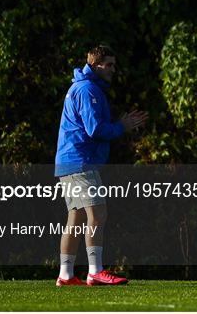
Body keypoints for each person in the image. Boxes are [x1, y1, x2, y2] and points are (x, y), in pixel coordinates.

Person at [54, 45, 148, 286]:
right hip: (80, 162)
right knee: (98, 213)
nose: (113, 70)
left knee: (75, 218)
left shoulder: (85, 87)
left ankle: (65, 275)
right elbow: (94, 129)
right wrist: (122, 126)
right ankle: (95, 271)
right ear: (96, 66)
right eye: (109, 65)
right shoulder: (87, 90)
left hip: (70, 162)